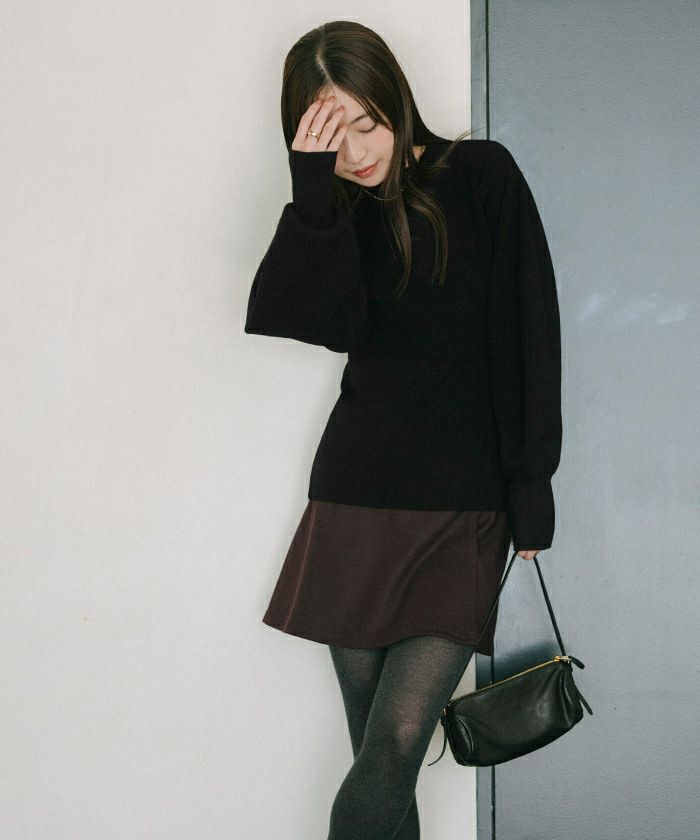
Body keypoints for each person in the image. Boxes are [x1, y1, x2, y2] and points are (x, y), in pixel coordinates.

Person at [244, 20, 562, 840]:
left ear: (396, 100)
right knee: (379, 758)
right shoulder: (336, 213)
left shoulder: (482, 174)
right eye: (331, 135)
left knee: (394, 740)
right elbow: (314, 323)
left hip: (465, 509)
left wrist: (531, 483)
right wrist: (312, 193)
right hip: (355, 501)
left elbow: (530, 332)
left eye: (367, 123)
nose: (355, 151)